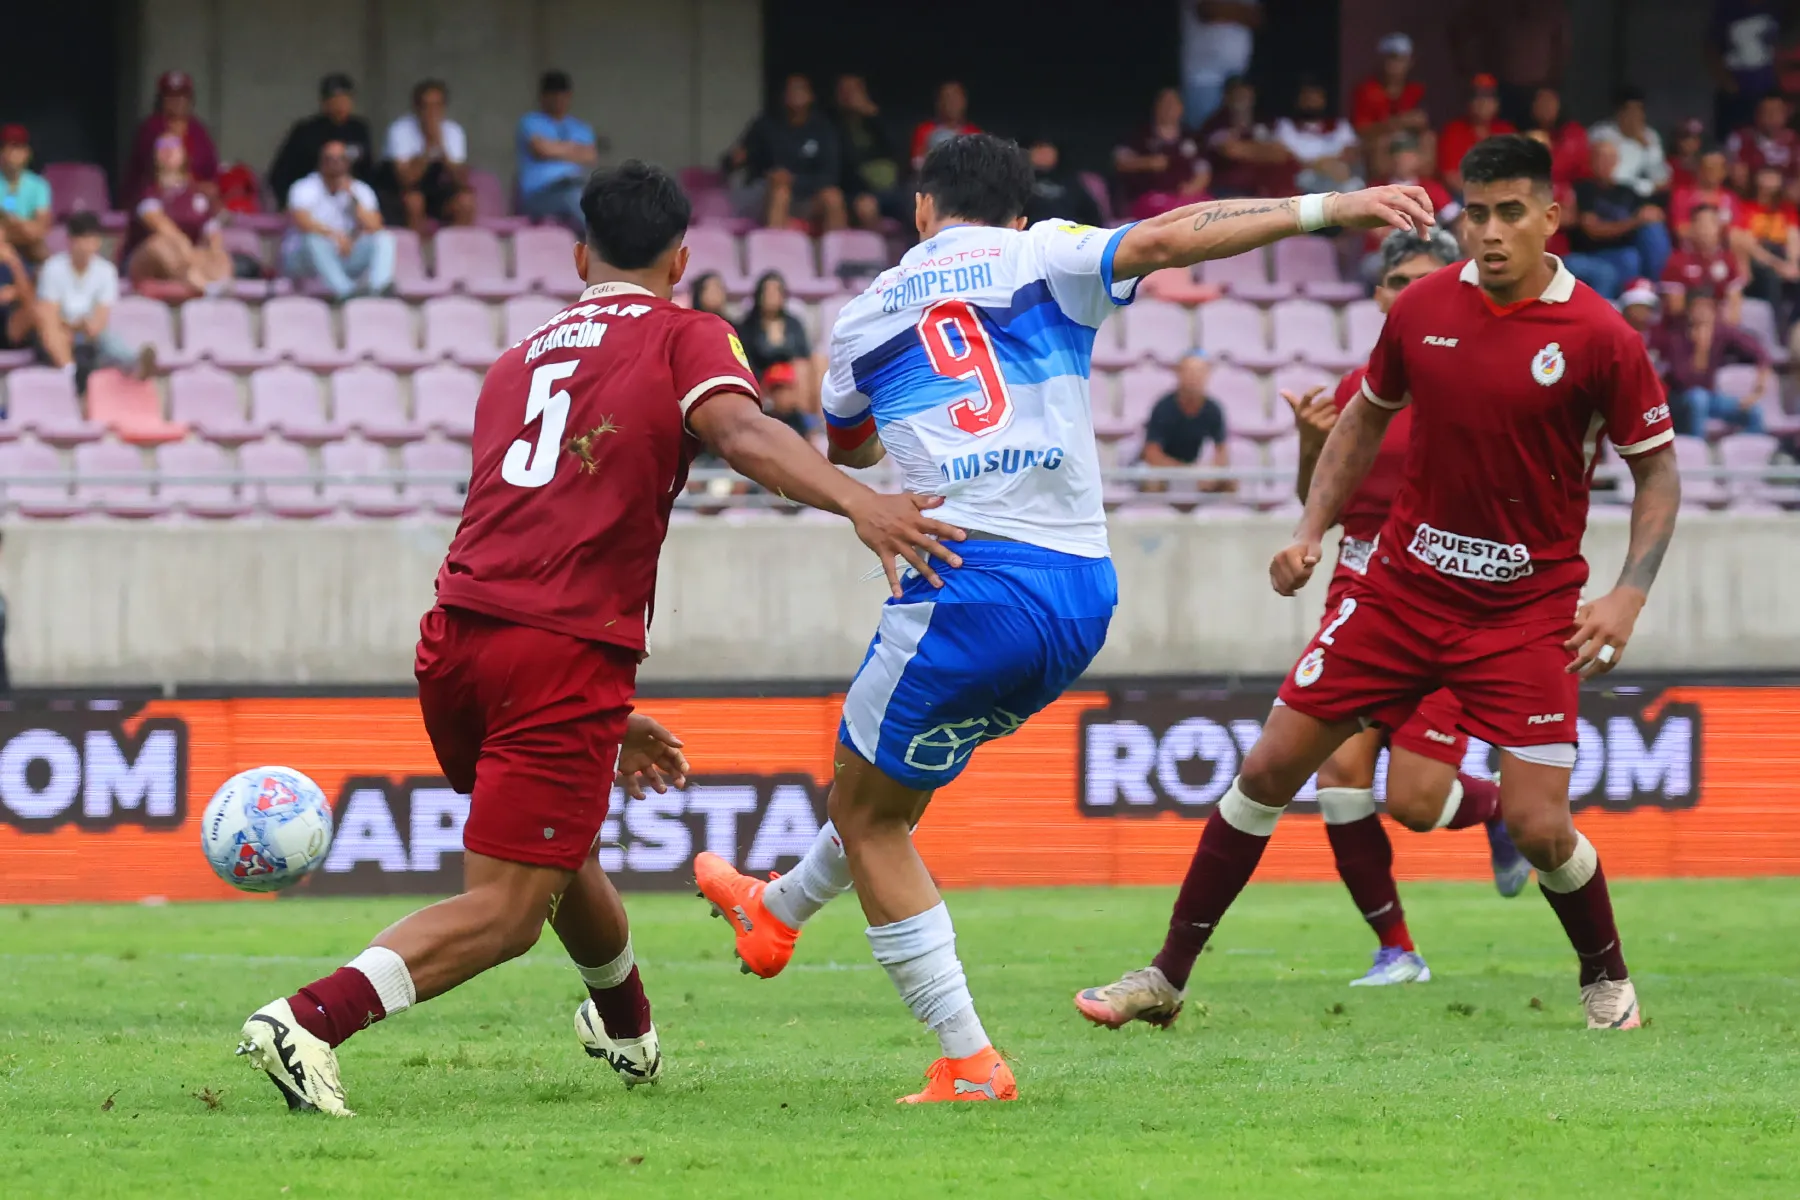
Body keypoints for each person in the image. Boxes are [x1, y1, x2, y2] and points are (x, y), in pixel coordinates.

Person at [690, 131, 1438, 1103]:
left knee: (867, 814)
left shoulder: (864, 317)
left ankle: (966, 1059)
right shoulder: (1042, 252)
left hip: (963, 588)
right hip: (1080, 593)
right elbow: (1172, 239)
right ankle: (777, 908)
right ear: (1015, 208)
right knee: (889, 795)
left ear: (921, 210)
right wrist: (1325, 208)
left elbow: (859, 452)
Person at [236, 159, 964, 1118]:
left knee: (561, 845)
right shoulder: (685, 333)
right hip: (560, 644)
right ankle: (305, 1021)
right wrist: (862, 504)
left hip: (459, 635)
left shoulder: (517, 358)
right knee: (504, 912)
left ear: (580, 254)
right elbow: (741, 435)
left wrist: (603, 717)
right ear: (682, 258)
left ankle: (625, 1027)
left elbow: (531, 513)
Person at [1076, 134, 1679, 1036]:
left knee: (1542, 828)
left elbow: (1657, 473)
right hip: (1399, 596)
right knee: (1270, 768)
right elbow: (1361, 423)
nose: (1489, 232)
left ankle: (1606, 976)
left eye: (1511, 212)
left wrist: (1629, 592)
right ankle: (1164, 976)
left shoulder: (1600, 337)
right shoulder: (1424, 310)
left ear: (1551, 218)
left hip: (1526, 615)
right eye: (1474, 214)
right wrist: (1311, 530)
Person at [1283, 226, 1531, 987]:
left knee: (1416, 803)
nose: (1411, 293)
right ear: (1382, 296)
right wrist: (1307, 444)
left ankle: (1498, 810)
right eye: (1399, 282)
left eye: (1429, 279)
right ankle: (1397, 949)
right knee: (1337, 774)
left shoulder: (1480, 381)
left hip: (1447, 598)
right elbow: (1317, 501)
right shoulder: (1361, 390)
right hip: (1359, 592)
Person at [36, 213, 151, 383]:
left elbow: (99, 321)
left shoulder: (106, 271)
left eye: (91, 240)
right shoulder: (52, 268)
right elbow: (49, 314)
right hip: (61, 331)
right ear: (70, 241)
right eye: (82, 239)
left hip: (88, 334)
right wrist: (74, 325)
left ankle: (135, 362)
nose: (86, 246)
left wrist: (83, 326)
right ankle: (70, 371)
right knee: (53, 332)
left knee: (108, 339)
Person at [726, 74, 846, 231]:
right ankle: (776, 251)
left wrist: (793, 180)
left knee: (833, 197)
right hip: (766, 195)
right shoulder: (766, 125)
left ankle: (837, 252)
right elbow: (733, 162)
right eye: (790, 90)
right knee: (781, 192)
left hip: (806, 196)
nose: (795, 94)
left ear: (811, 96)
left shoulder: (823, 128)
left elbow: (830, 176)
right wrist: (734, 160)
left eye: (800, 89)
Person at [281, 141, 395, 301]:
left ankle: (379, 289)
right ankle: (346, 292)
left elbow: (375, 225)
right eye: (330, 159)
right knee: (314, 239)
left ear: (347, 163)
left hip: (344, 253)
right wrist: (335, 237)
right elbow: (303, 222)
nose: (335, 164)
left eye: (340, 159)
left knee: (384, 238)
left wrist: (352, 198)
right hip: (303, 260)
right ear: (321, 162)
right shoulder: (304, 187)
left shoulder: (359, 189)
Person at [122, 135, 232, 297]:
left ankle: (205, 283)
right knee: (161, 245)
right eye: (162, 145)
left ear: (184, 154)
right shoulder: (148, 190)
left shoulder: (196, 193)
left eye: (174, 145)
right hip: (144, 260)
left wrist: (212, 252)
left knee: (222, 257)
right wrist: (185, 249)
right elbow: (157, 222)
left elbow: (212, 232)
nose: (168, 149)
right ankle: (200, 284)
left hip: (189, 259)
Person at [1562, 138, 1672, 299]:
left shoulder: (1626, 191)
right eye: (1601, 157)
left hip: (1626, 251)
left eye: (1610, 158)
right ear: (1591, 160)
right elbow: (1593, 230)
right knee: (1627, 260)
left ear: (1616, 162)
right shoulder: (1584, 188)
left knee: (1652, 229)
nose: (1606, 163)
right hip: (1590, 253)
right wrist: (1634, 222)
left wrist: (1652, 214)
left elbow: (1652, 214)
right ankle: (1621, 309)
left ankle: (1657, 289)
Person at [1654, 289, 1770, 436]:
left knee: (1755, 412)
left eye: (1708, 308)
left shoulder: (1720, 331)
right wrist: (1701, 350)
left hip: (1711, 397)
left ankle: (1740, 452)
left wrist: (1757, 390)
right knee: (1698, 398)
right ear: (1689, 311)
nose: (1704, 313)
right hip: (1680, 400)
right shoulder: (1676, 336)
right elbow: (1685, 382)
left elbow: (1761, 354)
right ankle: (1697, 451)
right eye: (1699, 308)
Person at [381, 79, 475, 234]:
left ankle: (453, 251)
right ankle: (417, 253)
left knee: (466, 202)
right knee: (414, 201)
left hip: (436, 186)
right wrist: (428, 147)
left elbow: (461, 180)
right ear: (416, 108)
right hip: (402, 191)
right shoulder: (400, 130)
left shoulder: (453, 131)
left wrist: (442, 147)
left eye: (437, 106)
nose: (432, 112)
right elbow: (407, 180)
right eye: (426, 106)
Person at [268, 73, 376, 206]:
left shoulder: (359, 129)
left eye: (345, 99)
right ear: (324, 102)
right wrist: (286, 203)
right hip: (312, 197)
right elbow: (281, 174)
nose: (340, 105)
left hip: (349, 197)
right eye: (335, 100)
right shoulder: (306, 130)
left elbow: (368, 170)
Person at [516, 71, 599, 230]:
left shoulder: (580, 127)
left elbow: (590, 155)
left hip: (577, 185)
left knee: (605, 197)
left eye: (562, 95)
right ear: (543, 97)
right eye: (552, 95)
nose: (558, 100)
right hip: (539, 195)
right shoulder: (530, 122)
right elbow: (541, 150)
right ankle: (600, 247)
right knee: (575, 198)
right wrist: (575, 149)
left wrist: (555, 147)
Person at [1116, 88, 1214, 220]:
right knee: (1171, 215)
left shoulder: (1191, 136)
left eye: (1174, 104)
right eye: (1165, 103)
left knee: (1212, 211)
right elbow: (1120, 163)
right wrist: (1146, 162)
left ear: (1181, 108)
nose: (1169, 108)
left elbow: (1203, 170)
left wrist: (1194, 186)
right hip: (1151, 198)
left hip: (1187, 197)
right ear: (1156, 107)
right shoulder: (1140, 135)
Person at [736, 271, 816, 434]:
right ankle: (805, 424)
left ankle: (809, 420)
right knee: (787, 380)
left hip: (793, 377)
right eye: (768, 291)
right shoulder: (747, 326)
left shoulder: (793, 323)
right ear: (759, 295)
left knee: (812, 364)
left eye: (777, 291)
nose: (773, 296)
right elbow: (747, 361)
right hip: (764, 376)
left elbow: (804, 354)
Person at [123, 70, 219, 202]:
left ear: (190, 99)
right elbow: (159, 172)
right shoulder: (151, 127)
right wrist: (194, 186)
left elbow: (212, 172)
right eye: (171, 96)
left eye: (182, 96)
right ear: (161, 99)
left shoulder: (198, 130)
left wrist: (207, 188)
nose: (177, 101)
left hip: (195, 199)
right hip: (157, 197)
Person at [1141, 352, 1230, 491]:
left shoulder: (1213, 410)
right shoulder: (1163, 408)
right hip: (1163, 469)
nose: (1194, 377)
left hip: (1192, 467)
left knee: (1229, 482)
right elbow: (1152, 454)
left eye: (1199, 372)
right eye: (1189, 372)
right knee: (1152, 482)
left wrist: (1212, 471)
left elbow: (1222, 452)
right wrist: (1185, 471)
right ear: (1179, 374)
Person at [1351, 33, 1433, 178]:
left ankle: (1423, 183)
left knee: (1429, 138)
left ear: (1410, 61)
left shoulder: (1416, 89)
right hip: (1380, 142)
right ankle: (1380, 185)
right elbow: (1360, 130)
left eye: (1401, 59)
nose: (1395, 65)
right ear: (1381, 60)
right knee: (1380, 142)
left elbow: (1423, 122)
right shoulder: (1366, 90)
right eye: (1391, 58)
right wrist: (1396, 123)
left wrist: (1418, 122)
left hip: (1408, 140)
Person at [1197, 76, 1294, 198]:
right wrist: (1264, 150)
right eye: (1237, 94)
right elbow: (1232, 151)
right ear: (1227, 97)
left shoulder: (1262, 121)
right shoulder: (1216, 123)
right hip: (1227, 192)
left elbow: (1281, 154)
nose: (1243, 98)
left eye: (1246, 93)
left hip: (1263, 190)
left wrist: (1248, 149)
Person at [833, 74, 903, 229]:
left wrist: (872, 115)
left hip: (895, 189)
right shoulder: (834, 126)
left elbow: (897, 147)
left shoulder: (880, 118)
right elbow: (844, 165)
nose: (849, 96)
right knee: (866, 207)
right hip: (860, 192)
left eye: (854, 91)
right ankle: (875, 253)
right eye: (844, 91)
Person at [1733, 162, 1800, 319]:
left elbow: (1793, 236)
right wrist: (1777, 265)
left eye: (1774, 177)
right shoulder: (1746, 208)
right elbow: (1747, 243)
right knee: (1771, 277)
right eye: (1767, 176)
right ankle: (1775, 327)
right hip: (1761, 257)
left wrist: (1792, 263)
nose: (1771, 181)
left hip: (1783, 254)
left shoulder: (1786, 209)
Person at [1273, 78, 1363, 196]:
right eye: (1307, 98)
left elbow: (1352, 153)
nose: (1311, 102)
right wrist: (1318, 165)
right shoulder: (1286, 126)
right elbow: (1284, 157)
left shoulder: (1340, 126)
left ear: (1324, 100)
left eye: (1316, 98)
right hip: (1303, 178)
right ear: (1298, 100)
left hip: (1336, 175)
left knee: (1356, 185)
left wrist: (1331, 164)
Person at [1179, 1, 1262, 126]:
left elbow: (1257, 16)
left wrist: (1228, 10)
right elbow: (1207, 10)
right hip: (1203, 76)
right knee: (1204, 135)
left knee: (1237, 134)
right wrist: (1241, 11)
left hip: (1238, 73)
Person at [1710, 1, 1783, 139]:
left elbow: (1778, 44)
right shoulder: (1727, 9)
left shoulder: (1772, 8)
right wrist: (1728, 83)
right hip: (1737, 90)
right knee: (1732, 139)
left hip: (1765, 88)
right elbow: (1711, 49)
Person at [1660, 203, 1744, 322]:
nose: (1706, 229)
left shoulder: (1728, 259)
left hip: (1720, 326)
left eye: (1711, 223)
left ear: (1719, 228)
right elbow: (1676, 309)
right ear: (1691, 227)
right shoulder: (1676, 260)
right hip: (1686, 327)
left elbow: (1735, 305)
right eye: (1701, 223)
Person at [1588, 87, 1670, 200]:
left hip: (1640, 198)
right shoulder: (1601, 133)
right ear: (1619, 112)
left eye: (1639, 110)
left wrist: (1648, 147)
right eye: (1630, 110)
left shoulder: (1649, 136)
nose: (1635, 116)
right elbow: (1612, 179)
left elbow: (1662, 179)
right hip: (1607, 194)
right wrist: (1646, 186)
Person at [1439, 75, 1517, 195]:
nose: (1483, 103)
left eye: (1488, 97)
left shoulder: (1506, 130)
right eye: (1477, 97)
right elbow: (1450, 177)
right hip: (1464, 197)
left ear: (1496, 103)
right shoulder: (1454, 130)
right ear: (1469, 103)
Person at [1726, 92, 1800, 195]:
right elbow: (1733, 171)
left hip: (1785, 197)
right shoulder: (1740, 137)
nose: (1771, 116)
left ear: (1786, 115)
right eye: (1766, 112)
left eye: (1776, 112)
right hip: (1750, 194)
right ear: (1757, 114)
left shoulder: (1795, 141)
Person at [1024, 134, 1104, 228]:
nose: (1043, 154)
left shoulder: (1071, 180)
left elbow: (1092, 214)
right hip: (1031, 236)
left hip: (1070, 235)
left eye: (1048, 150)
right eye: (1038, 149)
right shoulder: (1021, 181)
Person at [0, 124, 52, 263]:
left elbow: (39, 230)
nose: (14, 154)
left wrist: (13, 221)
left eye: (19, 148)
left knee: (41, 251)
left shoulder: (39, 185)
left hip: (28, 246)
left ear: (27, 153)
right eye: (9, 147)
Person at [1522, 88, 1588, 186]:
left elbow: (1561, 168)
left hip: (1576, 190)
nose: (1546, 107)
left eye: (1550, 102)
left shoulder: (1574, 132)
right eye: (1541, 102)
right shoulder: (1525, 133)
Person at [909, 81, 979, 172]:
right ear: (938, 102)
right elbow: (916, 162)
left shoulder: (975, 134)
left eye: (956, 98)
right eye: (947, 98)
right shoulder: (924, 130)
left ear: (964, 102)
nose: (951, 103)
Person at [1672, 147, 1740, 238]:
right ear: (1699, 170)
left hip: (1726, 244)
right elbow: (1680, 229)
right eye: (1709, 168)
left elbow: (1737, 227)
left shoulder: (1729, 197)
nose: (1714, 173)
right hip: (1694, 243)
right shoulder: (1683, 194)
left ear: (1724, 172)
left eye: (1718, 168)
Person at [0, 237, 42, 355]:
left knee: (38, 308)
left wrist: (14, 263)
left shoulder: (14, 262)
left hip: (11, 327)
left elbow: (30, 299)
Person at [1620, 277, 1661, 341]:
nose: (1642, 311)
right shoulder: (1618, 334)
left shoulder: (1657, 335)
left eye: (1647, 307)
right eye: (1637, 306)